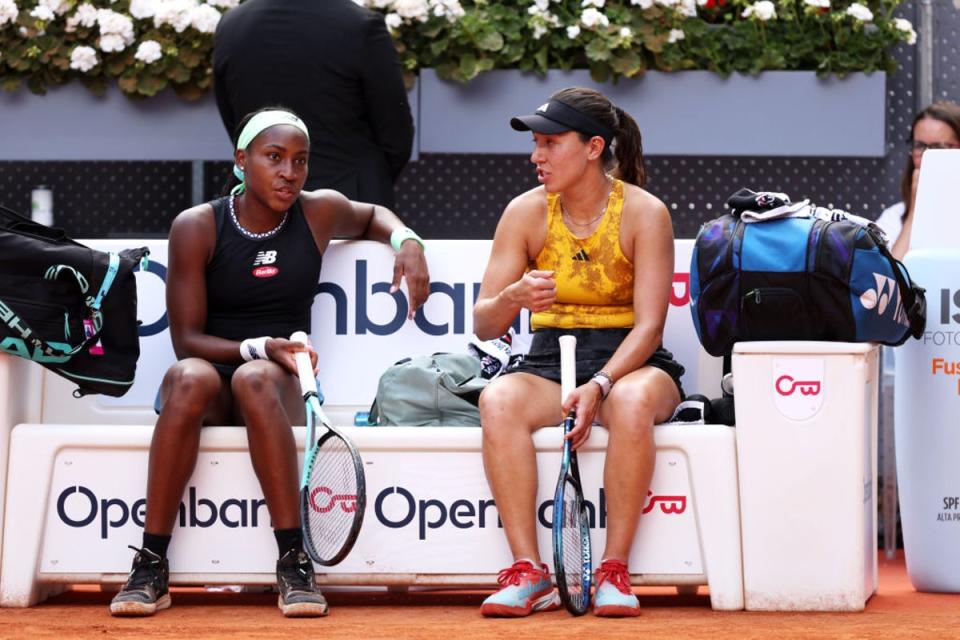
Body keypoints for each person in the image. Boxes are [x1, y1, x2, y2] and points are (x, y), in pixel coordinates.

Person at [108, 107, 429, 618]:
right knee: (188, 378)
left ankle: (294, 561)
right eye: (274, 158)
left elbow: (370, 216)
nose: (289, 172)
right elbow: (187, 341)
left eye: (300, 161)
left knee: (256, 380)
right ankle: (150, 563)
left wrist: (406, 241)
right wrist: (261, 345)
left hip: (272, 387)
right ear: (242, 160)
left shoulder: (317, 211)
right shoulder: (197, 226)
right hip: (214, 376)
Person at [473, 87, 685, 618]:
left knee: (633, 404)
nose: (535, 157)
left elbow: (651, 327)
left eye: (549, 143)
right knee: (497, 401)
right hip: (548, 361)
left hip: (631, 363)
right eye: (535, 145)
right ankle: (528, 571)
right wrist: (513, 297)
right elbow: (483, 321)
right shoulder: (523, 213)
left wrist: (601, 385)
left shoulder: (645, 212)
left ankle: (614, 568)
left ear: (593, 147)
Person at [213, 0, 414, 209]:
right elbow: (396, 133)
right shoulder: (360, 25)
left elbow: (237, 123)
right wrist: (372, 179)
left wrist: (268, 161)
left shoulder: (232, 24)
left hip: (261, 202)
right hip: (350, 202)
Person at [875, 101, 960, 259]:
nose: (926, 156)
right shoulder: (894, 217)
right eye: (920, 146)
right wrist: (915, 212)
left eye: (939, 147)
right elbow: (890, 280)